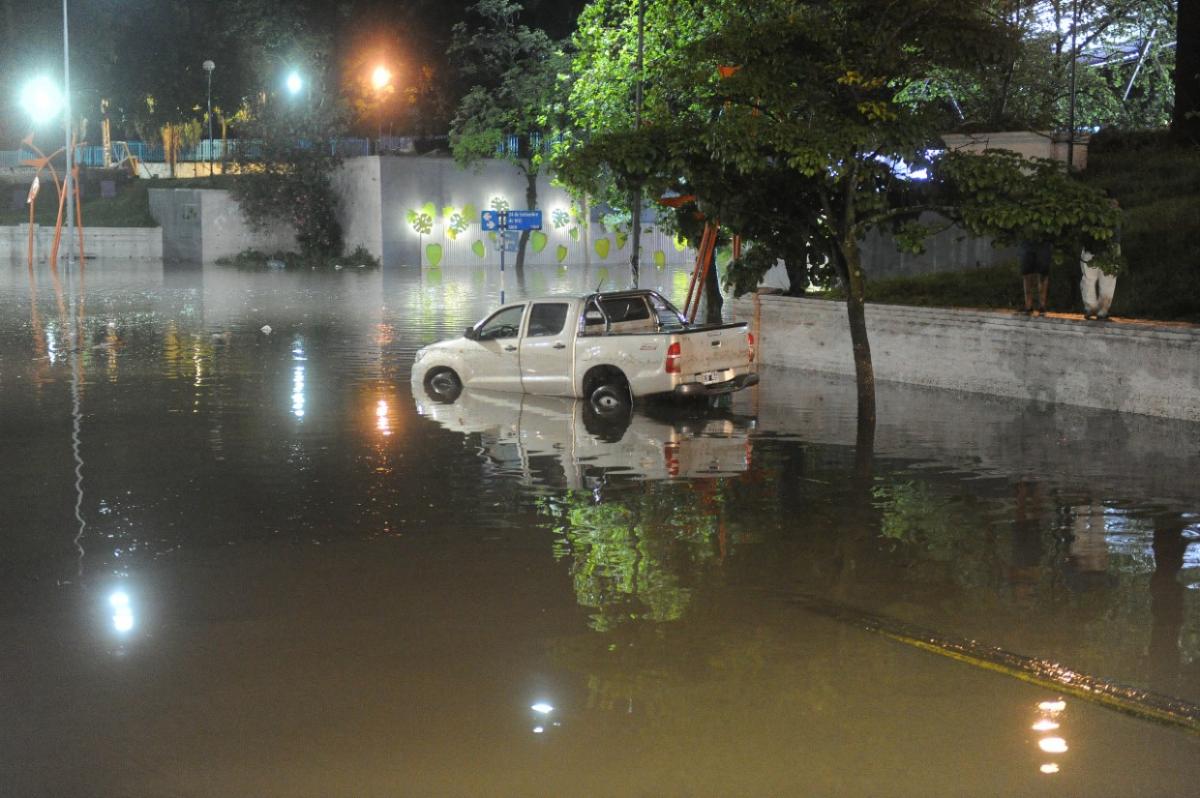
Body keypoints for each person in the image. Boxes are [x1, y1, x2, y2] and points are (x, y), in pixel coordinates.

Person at [1080, 198, 1121, 321]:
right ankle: (1097, 309)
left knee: (1093, 280)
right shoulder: (1094, 213)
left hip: (1101, 250)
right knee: (1100, 281)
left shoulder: (1089, 212)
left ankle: (1095, 308)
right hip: (1098, 250)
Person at [1019, 239, 1052, 316]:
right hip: (1027, 241)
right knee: (1027, 273)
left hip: (1043, 241)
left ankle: (1042, 306)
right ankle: (1028, 306)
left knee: (1043, 273)